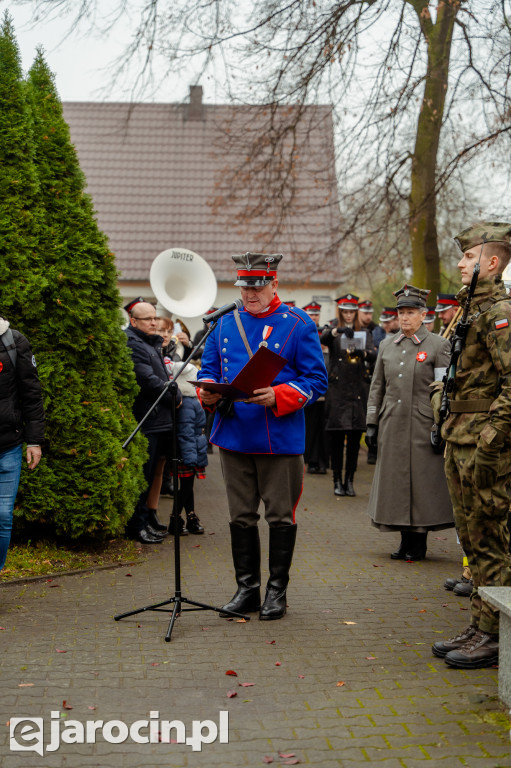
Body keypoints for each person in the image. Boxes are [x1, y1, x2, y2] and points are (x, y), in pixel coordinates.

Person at [197, 252, 327, 621]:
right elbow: (209, 370)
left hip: (278, 436)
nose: (250, 295)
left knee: (280, 518)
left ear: (274, 284)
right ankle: (247, 590)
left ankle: (276, 593)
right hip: (235, 433)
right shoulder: (224, 322)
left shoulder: (298, 324)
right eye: (245, 287)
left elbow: (317, 382)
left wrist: (280, 395)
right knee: (240, 517)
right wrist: (205, 393)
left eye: (258, 287)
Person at [431, 222, 511, 669]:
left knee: (491, 540)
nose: (461, 263)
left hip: (483, 445)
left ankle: (496, 634)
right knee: (471, 539)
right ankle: (481, 623)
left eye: (469, 256)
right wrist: (440, 401)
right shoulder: (469, 310)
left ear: (492, 262)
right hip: (458, 437)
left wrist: (489, 441)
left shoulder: (500, 312)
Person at [365, 284, 453, 560]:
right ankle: (404, 541)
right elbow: (377, 386)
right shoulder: (386, 345)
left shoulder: (438, 345)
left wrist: (442, 426)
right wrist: (371, 422)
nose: (404, 318)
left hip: (423, 425)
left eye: (410, 312)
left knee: (421, 485)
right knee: (397, 484)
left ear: (423, 315)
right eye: (401, 312)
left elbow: (445, 388)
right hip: (392, 423)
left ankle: (419, 544)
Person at [124, 299, 182, 544]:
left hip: (160, 418)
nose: (154, 322)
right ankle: (136, 527)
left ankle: (147, 519)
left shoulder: (149, 342)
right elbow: (147, 380)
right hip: (149, 418)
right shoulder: (133, 343)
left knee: (154, 475)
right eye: (147, 319)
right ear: (133, 321)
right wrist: (173, 394)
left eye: (154, 317)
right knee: (143, 476)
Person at [0, 314, 45, 571]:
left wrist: (34, 440)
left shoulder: (13, 341)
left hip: (8, 446)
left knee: (3, 518)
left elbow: (31, 393)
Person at [320, 294, 376, 496]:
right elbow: (324, 338)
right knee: (336, 438)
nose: (349, 315)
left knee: (354, 437)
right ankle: (336, 480)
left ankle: (349, 481)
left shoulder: (365, 332)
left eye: (352, 311)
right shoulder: (333, 328)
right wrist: (337, 331)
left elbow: (374, 354)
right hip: (338, 391)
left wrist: (365, 354)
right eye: (346, 311)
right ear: (341, 312)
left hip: (357, 391)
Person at [166, 360, 207, 535]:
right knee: (186, 487)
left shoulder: (188, 401)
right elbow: (186, 432)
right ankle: (175, 519)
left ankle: (190, 517)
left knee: (187, 486)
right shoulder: (188, 402)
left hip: (189, 449)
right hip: (187, 451)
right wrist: (191, 457)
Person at [302, 301, 328, 475]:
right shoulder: (302, 330)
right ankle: (309, 460)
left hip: (325, 394)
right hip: (308, 392)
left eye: (316, 314)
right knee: (309, 429)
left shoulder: (324, 332)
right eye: (311, 314)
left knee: (322, 430)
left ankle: (322, 461)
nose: (314, 317)